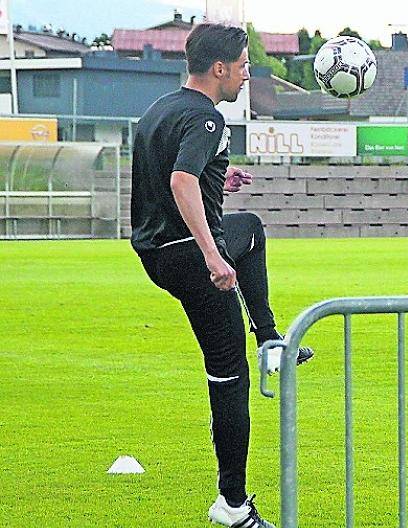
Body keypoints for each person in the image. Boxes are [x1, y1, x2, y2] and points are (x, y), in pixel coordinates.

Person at [130, 23, 313, 528]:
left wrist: (219, 175)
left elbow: (169, 176)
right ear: (219, 68)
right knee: (228, 377)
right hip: (188, 256)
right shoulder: (207, 119)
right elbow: (179, 180)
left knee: (249, 228)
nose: (247, 73)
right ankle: (232, 504)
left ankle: (272, 339)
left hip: (156, 252)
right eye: (244, 64)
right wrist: (213, 256)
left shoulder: (158, 110)